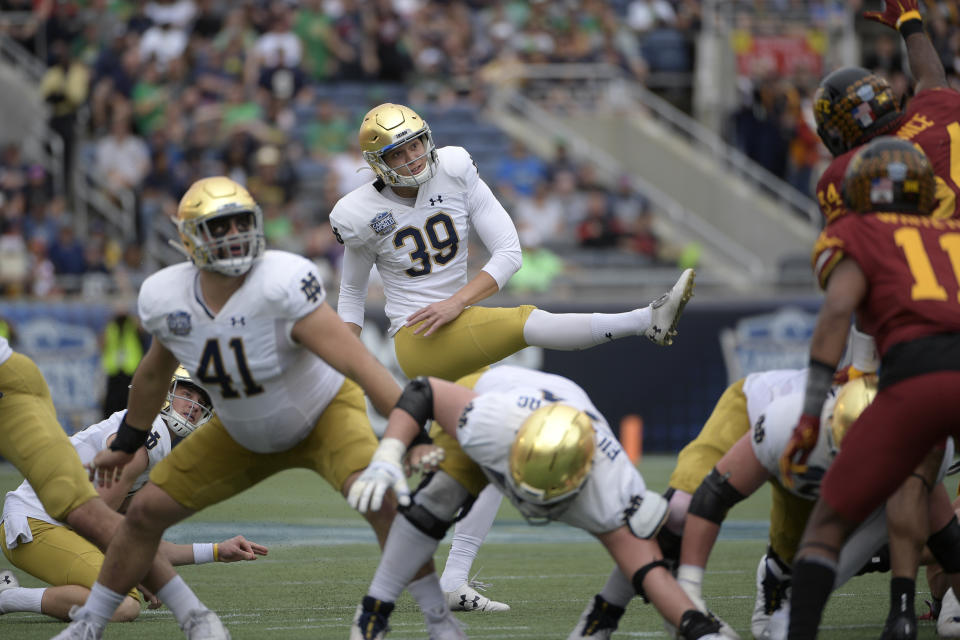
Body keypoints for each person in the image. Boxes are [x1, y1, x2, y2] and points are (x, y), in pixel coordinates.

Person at [330, 102, 696, 611]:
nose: (414, 157)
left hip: (455, 323)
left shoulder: (455, 167)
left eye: (417, 143)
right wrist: (345, 358)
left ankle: (452, 579)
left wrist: (457, 300)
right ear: (377, 161)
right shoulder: (356, 213)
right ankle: (644, 321)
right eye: (399, 151)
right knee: (525, 321)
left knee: (493, 456)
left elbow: (509, 252)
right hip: (419, 338)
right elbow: (350, 296)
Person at [53, 177, 444, 640]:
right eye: (220, 226)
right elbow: (153, 376)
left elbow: (358, 362)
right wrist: (129, 441)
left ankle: (440, 623)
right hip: (242, 427)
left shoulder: (281, 280)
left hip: (320, 414)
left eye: (242, 222)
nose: (235, 234)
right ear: (191, 238)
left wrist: (413, 436)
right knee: (142, 515)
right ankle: (90, 624)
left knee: (380, 500)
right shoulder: (168, 296)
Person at [345, 365, 731, 640]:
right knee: (437, 500)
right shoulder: (490, 424)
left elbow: (648, 570)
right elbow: (422, 391)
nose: (530, 507)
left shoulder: (609, 485)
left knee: (634, 548)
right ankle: (374, 612)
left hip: (563, 428)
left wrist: (700, 630)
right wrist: (391, 452)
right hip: (500, 399)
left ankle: (599, 620)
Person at [781, 136, 960, 640]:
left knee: (826, 527)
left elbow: (838, 311)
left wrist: (812, 412)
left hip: (915, 378)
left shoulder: (857, 231)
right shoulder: (953, 233)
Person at [1, 367, 267, 622]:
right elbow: (97, 527)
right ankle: (7, 598)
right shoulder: (151, 436)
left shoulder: (157, 443)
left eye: (201, 402)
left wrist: (218, 551)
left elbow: (137, 541)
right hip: (36, 525)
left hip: (41, 524)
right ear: (167, 393)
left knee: (114, 596)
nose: (194, 406)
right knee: (123, 604)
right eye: (187, 395)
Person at [813, 0, 959, 226]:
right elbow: (932, 78)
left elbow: (855, 240)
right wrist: (911, 26)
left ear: (834, 135)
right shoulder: (940, 107)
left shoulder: (846, 171)